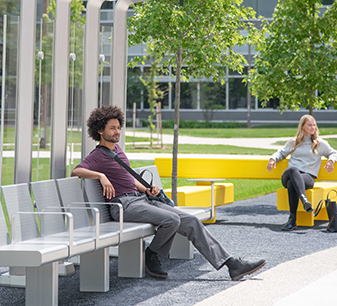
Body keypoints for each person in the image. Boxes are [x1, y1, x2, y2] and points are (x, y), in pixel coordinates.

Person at [72, 105, 266, 280]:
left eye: (118, 127)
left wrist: (147, 189)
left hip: (140, 199)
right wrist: (100, 176)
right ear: (100, 130)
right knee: (172, 220)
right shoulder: (97, 156)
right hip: (124, 206)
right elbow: (76, 171)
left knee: (191, 221)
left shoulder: (118, 150)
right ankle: (151, 255)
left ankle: (231, 264)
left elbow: (127, 180)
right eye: (112, 128)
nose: (117, 132)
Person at [267, 114, 337, 231]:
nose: (312, 127)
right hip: (290, 174)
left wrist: (331, 161)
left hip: (307, 178)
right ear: (303, 126)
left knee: (291, 184)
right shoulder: (294, 142)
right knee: (293, 170)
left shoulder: (319, 143)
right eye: (309, 125)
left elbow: (334, 153)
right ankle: (304, 199)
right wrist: (272, 159)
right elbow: (281, 153)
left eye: (314, 125)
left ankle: (292, 220)